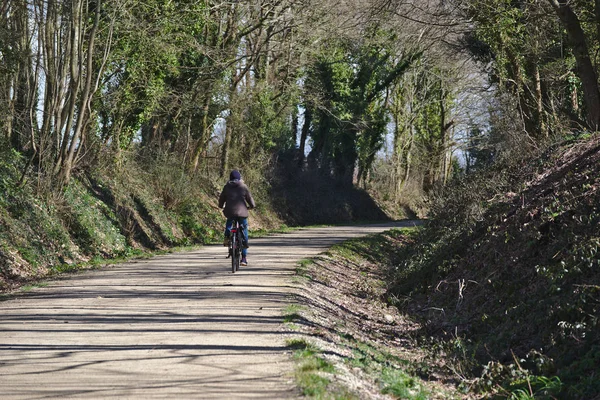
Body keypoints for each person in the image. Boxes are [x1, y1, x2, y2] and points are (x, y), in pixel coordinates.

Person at [218, 170, 255, 266]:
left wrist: (221, 206)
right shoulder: (244, 187)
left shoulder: (226, 187)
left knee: (229, 223)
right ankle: (244, 257)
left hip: (230, 211)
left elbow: (221, 199)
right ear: (239, 178)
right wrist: (251, 206)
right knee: (243, 230)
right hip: (242, 212)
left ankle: (227, 237)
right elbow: (250, 200)